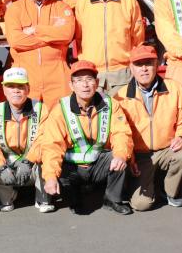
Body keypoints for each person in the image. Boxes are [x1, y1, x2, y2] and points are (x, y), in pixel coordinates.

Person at [40, 60, 134, 215]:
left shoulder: (111, 104)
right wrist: (50, 177)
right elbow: (52, 145)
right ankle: (76, 195)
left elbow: (121, 133)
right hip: (72, 167)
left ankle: (112, 199)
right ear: (71, 86)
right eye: (78, 80)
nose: (85, 85)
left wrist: (121, 155)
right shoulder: (60, 109)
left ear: (97, 83)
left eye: (89, 80)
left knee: (118, 157)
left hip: (98, 163)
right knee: (69, 191)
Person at [115, 45, 182, 211]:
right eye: (139, 64)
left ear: (157, 64)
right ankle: (150, 183)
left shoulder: (174, 88)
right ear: (131, 68)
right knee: (141, 204)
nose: (144, 69)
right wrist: (130, 158)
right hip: (140, 156)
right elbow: (118, 132)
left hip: (167, 149)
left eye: (149, 63)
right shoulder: (120, 96)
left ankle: (170, 192)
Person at [0, 67, 54, 213]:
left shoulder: (41, 109)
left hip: (32, 166)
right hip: (8, 168)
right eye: (11, 86)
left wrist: (28, 161)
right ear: (4, 90)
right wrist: (1, 168)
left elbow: (45, 140)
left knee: (47, 158)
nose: (16, 91)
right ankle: (8, 196)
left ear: (28, 89)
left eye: (21, 86)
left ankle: (43, 199)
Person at [4, 0, 75, 108]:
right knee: (28, 126)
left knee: (61, 125)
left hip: (58, 80)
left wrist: (36, 30)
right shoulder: (15, 9)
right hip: (25, 81)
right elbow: (16, 41)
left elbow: (66, 34)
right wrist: (52, 38)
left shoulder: (62, 7)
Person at [74, 0, 145, 96]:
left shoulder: (129, 1)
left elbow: (138, 38)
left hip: (123, 73)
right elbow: (79, 38)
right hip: (93, 74)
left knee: (125, 116)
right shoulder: (82, 4)